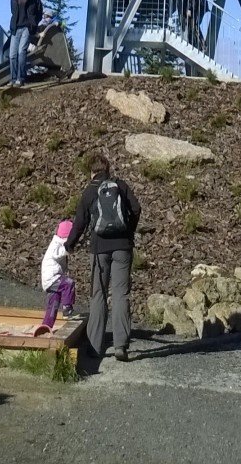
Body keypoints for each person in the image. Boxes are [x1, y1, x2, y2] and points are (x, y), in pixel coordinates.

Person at [65, 152, 141, 362]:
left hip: (98, 250)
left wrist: (69, 244)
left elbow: (80, 222)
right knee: (120, 295)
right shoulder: (120, 185)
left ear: (91, 172)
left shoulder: (89, 191)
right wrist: (128, 232)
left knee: (98, 295)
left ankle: (95, 346)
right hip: (123, 248)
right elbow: (136, 208)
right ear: (108, 169)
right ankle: (121, 346)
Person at [32, 220, 78, 335]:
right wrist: (70, 247)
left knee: (53, 304)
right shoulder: (56, 244)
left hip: (51, 279)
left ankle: (46, 326)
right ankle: (67, 307)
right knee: (69, 283)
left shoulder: (59, 242)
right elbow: (60, 253)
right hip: (52, 278)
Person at [9, 0, 43, 87]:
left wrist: (33, 24)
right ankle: (13, 78)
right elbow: (13, 12)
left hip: (27, 28)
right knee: (12, 54)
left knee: (21, 51)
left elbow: (39, 12)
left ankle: (21, 78)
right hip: (16, 28)